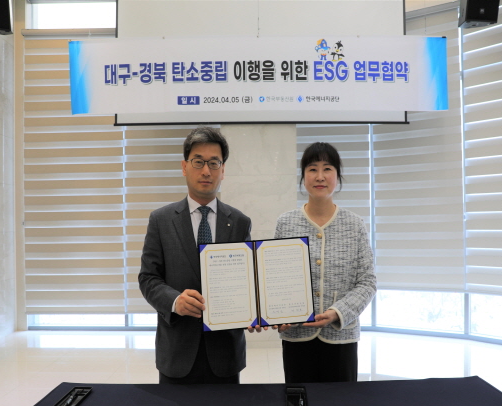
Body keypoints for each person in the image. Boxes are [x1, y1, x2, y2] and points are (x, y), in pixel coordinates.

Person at [138, 126, 252, 384]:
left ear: (223, 170)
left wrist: (256, 312)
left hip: (225, 354)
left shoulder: (240, 222)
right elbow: (148, 278)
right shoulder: (161, 220)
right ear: (184, 166)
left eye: (214, 163)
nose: (206, 171)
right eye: (198, 162)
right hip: (176, 351)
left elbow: (246, 282)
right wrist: (175, 301)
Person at [276, 142, 376, 383]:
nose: (320, 176)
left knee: (340, 404)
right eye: (312, 169)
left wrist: (337, 312)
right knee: (300, 401)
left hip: (341, 338)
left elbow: (367, 282)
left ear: (337, 176)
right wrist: (277, 314)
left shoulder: (354, 224)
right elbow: (275, 279)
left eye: (327, 168)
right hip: (297, 336)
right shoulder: (286, 223)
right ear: (303, 177)